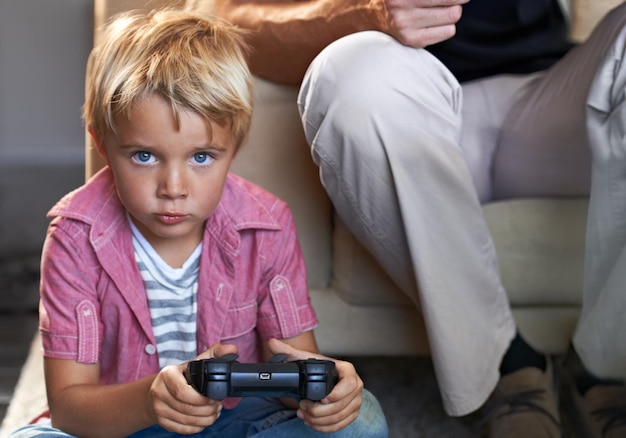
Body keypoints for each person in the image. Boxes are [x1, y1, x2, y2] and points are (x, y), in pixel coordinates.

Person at [196, 0, 626, 437]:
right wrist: (366, 13)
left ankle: (608, 364)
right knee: (349, 75)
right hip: (404, 106)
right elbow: (221, 17)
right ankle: (505, 365)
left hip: (552, 104)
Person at [9, 8, 388, 438]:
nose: (174, 186)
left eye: (202, 157)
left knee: (362, 420)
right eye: (144, 156)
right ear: (102, 142)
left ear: (235, 145)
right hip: (125, 424)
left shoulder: (267, 227)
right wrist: (152, 399)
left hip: (240, 420)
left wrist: (323, 390)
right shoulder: (74, 237)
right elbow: (70, 408)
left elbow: (293, 365)